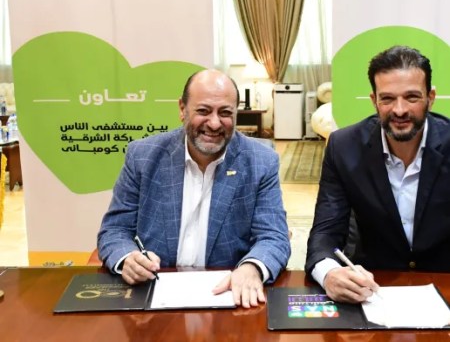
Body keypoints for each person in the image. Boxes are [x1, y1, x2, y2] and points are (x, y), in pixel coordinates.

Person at [97, 69, 291, 308]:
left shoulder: (261, 161)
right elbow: (115, 230)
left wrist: (252, 268)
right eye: (203, 111)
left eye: (225, 113)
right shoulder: (143, 156)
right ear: (182, 109)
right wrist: (128, 258)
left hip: (228, 295)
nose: (214, 123)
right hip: (154, 294)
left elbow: (274, 236)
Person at [305, 45, 450, 303]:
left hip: (444, 284)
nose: (400, 110)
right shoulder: (343, 147)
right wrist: (329, 273)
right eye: (387, 99)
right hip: (372, 291)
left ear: (431, 97)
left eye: (412, 97)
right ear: (374, 101)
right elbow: (325, 233)